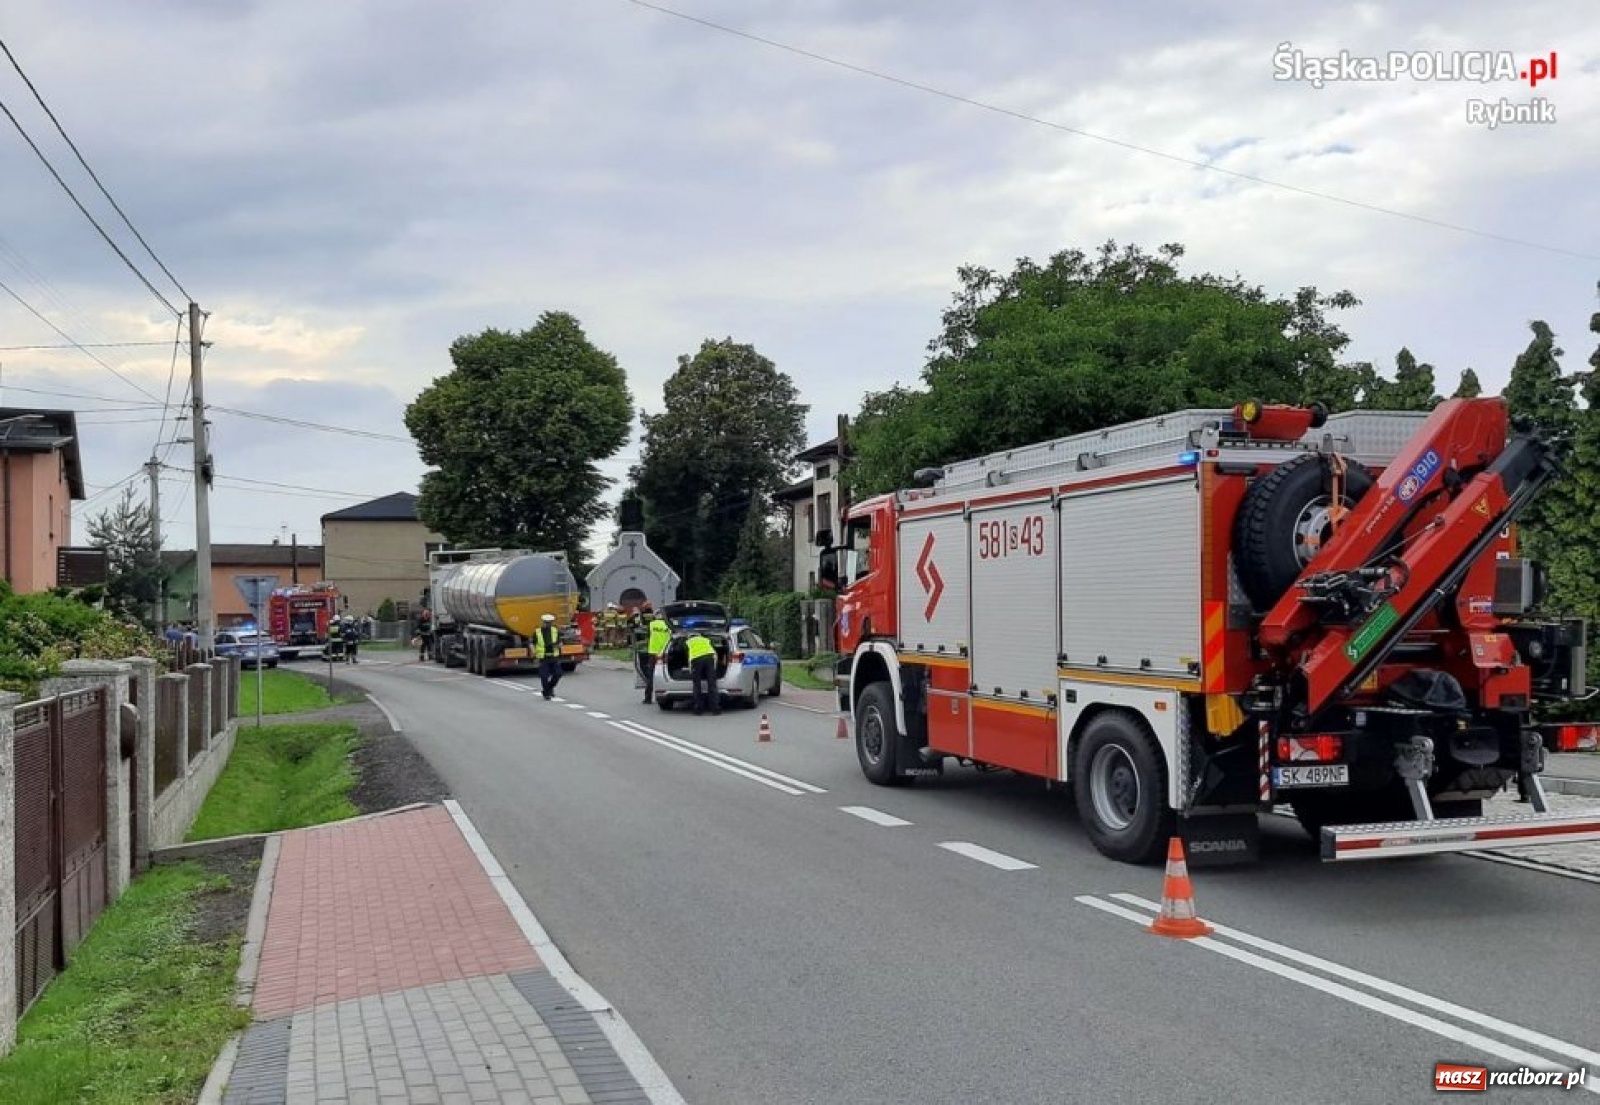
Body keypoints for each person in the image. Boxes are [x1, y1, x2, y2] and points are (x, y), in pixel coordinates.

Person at [686, 628, 719, 716]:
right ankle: (715, 709)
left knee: (697, 684)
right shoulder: (706, 640)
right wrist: (714, 668)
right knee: (712, 684)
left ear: (690, 636)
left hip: (697, 660)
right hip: (709, 658)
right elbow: (715, 655)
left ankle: (698, 709)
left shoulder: (689, 642)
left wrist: (690, 670)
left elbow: (690, 657)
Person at [642, 608, 671, 704]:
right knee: (665, 674)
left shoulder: (652, 624)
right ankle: (667, 694)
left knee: (651, 676)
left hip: (653, 653)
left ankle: (648, 698)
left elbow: (647, 636)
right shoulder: (669, 626)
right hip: (665, 653)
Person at [535, 613, 564, 699]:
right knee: (544, 676)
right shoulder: (537, 632)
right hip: (543, 657)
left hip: (554, 657)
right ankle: (547, 693)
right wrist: (534, 653)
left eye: (549, 622)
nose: (547, 624)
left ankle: (549, 689)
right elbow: (533, 643)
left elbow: (560, 642)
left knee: (558, 673)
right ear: (543, 622)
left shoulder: (555, 631)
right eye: (546, 622)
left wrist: (558, 645)